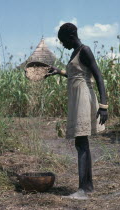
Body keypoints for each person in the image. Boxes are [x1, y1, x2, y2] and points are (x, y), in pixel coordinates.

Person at [45, 23, 108, 200]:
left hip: (84, 99)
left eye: (63, 41)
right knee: (81, 144)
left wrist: (104, 106)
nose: (63, 44)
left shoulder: (85, 50)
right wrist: (59, 72)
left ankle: (84, 189)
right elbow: (76, 74)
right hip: (76, 99)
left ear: (71, 36)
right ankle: (87, 187)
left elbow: (98, 77)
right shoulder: (75, 52)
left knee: (81, 143)